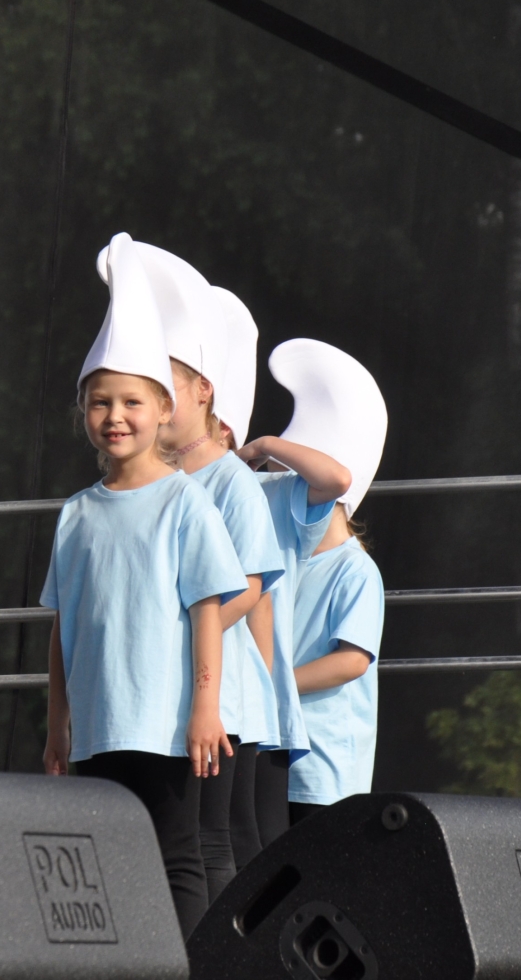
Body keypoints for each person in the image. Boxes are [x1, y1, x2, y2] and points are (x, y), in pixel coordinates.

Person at [42, 233, 246, 938]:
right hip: (97, 726)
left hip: (163, 724)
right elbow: (64, 627)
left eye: (131, 400)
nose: (115, 416)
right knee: (107, 860)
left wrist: (205, 709)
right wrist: (57, 724)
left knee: (176, 856)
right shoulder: (75, 513)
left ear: (163, 408)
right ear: (84, 413)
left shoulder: (186, 501)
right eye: (100, 403)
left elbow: (208, 609)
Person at [134, 244, 280, 901]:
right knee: (175, 840)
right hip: (169, 687)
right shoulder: (156, 483)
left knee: (211, 842)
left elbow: (250, 588)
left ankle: (226, 949)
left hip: (223, 694)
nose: (158, 401)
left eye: (168, 384)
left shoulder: (231, 483)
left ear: (203, 392)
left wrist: (178, 632)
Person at [234, 335, 357, 849]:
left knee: (259, 848)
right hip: (234, 704)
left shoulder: (352, 567)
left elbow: (336, 478)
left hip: (292, 736)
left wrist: (264, 446)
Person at [261, 340, 389, 823]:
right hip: (278, 754)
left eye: (288, 486)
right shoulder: (283, 561)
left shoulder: (356, 570)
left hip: (327, 770)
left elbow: (352, 661)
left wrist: (271, 685)